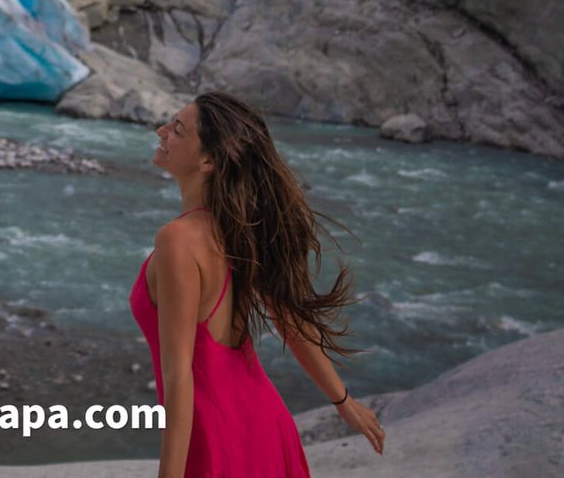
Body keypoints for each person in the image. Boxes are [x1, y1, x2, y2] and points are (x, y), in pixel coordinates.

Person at [129, 92, 386, 476]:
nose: (161, 130)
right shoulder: (237, 230)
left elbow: (179, 376)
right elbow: (289, 319)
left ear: (209, 160)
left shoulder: (178, 240)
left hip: (217, 441)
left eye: (178, 128)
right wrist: (342, 400)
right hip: (265, 429)